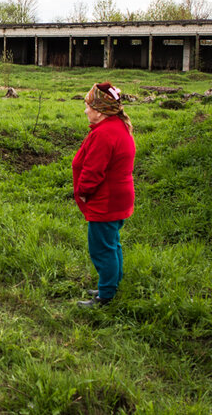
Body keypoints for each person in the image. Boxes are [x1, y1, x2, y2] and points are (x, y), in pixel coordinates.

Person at [72, 82, 135, 307]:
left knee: (101, 248)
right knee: (112, 243)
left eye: (88, 106)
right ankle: (111, 283)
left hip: (106, 202)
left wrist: (83, 192)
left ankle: (105, 296)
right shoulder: (118, 126)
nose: (85, 110)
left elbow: (93, 171)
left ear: (99, 110)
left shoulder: (105, 134)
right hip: (119, 198)